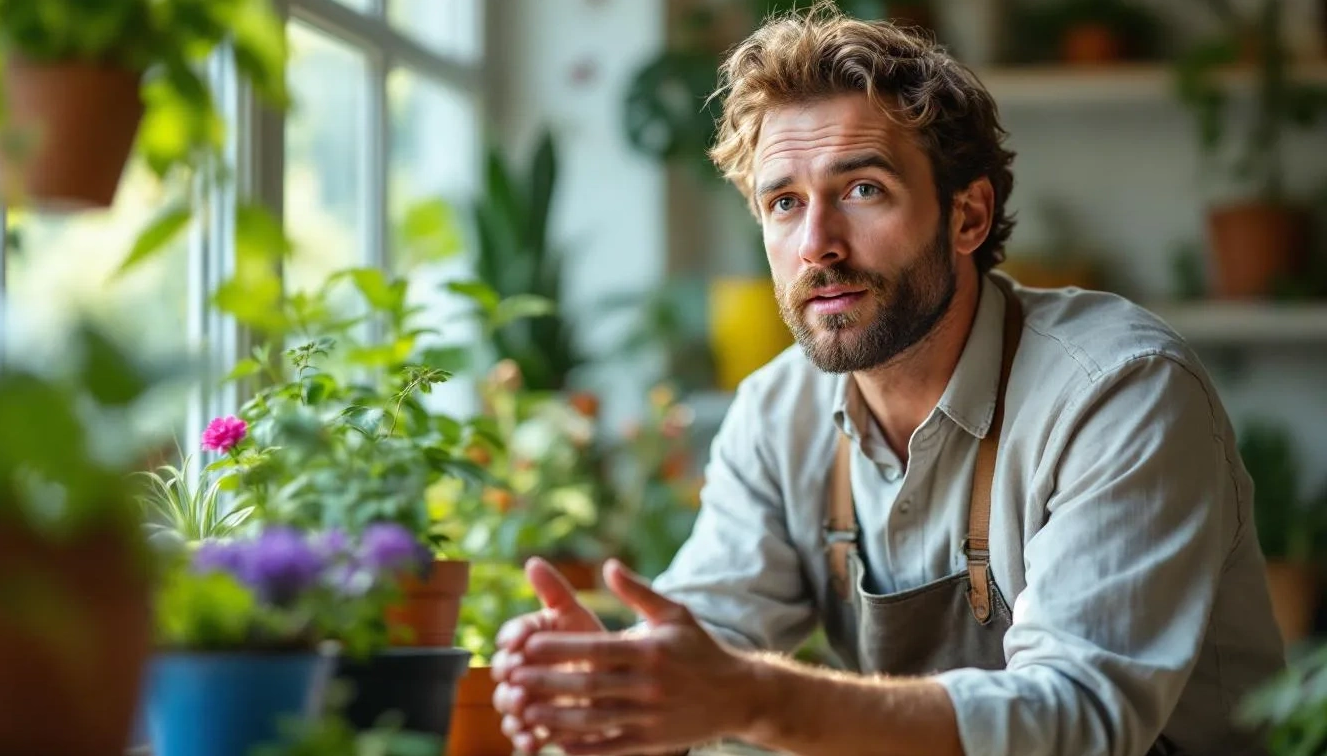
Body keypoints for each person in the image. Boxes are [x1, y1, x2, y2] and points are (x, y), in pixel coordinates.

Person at [490, 5, 1286, 756]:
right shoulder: (777, 414)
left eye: (862, 190)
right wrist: (616, 682)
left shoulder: (1118, 390)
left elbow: (1081, 719)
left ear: (968, 216)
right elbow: (708, 636)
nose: (817, 245)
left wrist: (754, 698)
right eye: (784, 203)